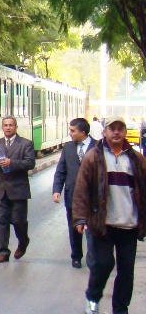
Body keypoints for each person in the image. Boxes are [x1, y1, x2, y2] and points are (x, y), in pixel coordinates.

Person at [73, 115, 146, 314]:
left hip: (128, 225)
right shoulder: (93, 158)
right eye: (112, 128)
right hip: (102, 224)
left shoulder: (136, 159)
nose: (116, 132)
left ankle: (120, 309)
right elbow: (81, 189)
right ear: (104, 131)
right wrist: (80, 217)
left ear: (125, 132)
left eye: (120, 129)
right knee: (102, 265)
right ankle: (92, 297)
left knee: (126, 273)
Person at [0, 116, 37, 263]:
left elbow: (30, 163)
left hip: (18, 189)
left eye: (11, 125)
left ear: (16, 127)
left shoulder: (26, 144)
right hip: (1, 189)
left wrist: (11, 162)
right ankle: (3, 251)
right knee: (2, 221)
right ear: (2, 127)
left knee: (18, 220)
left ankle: (23, 241)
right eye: (5, 125)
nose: (8, 128)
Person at [52, 118, 94, 268]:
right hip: (72, 195)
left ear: (83, 132)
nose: (70, 134)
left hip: (92, 197)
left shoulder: (98, 147)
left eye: (72, 131)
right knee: (74, 227)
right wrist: (57, 190)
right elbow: (61, 170)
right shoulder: (68, 148)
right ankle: (76, 256)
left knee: (92, 227)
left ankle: (93, 257)